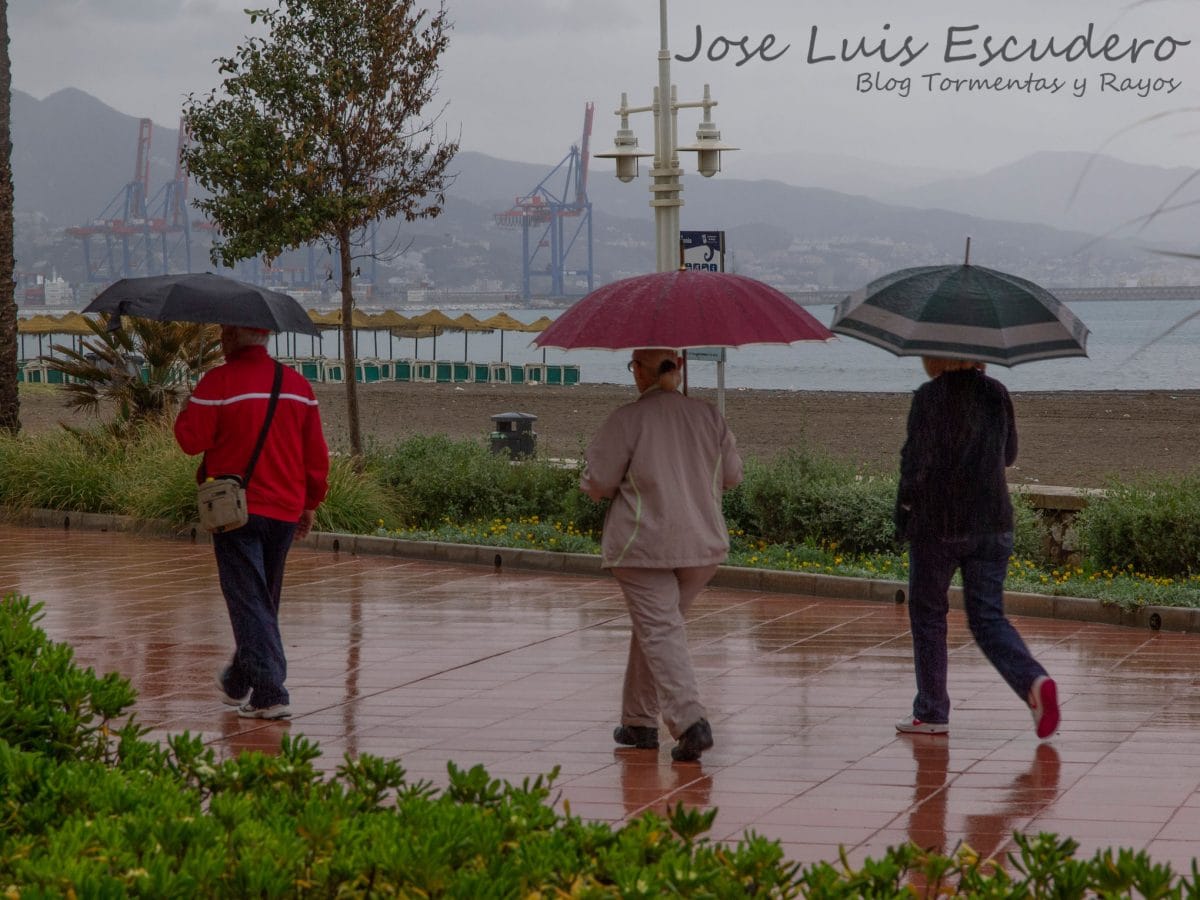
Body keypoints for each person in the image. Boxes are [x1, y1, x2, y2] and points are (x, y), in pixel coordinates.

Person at [580, 348, 743, 762]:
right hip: (702, 544)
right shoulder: (708, 415)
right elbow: (732, 477)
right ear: (679, 367)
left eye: (634, 366)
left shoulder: (628, 419)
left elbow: (598, 481)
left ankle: (690, 721)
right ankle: (637, 721)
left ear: (640, 372)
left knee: (659, 629)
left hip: (643, 545)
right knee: (657, 626)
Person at [895, 356, 1059, 738]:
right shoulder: (996, 393)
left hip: (939, 524)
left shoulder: (929, 397)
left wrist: (904, 511)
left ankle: (932, 711)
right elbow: (1009, 455)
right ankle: (1033, 680)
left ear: (934, 355)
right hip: (993, 522)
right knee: (988, 618)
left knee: (929, 614)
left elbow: (914, 465)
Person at [175, 325, 329, 719]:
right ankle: (238, 680)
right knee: (262, 598)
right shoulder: (297, 385)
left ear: (230, 339)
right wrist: (310, 503)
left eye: (225, 334)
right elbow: (316, 454)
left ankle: (269, 692)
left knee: (248, 599)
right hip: (285, 507)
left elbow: (191, 440)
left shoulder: (217, 382)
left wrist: (186, 410)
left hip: (235, 510)